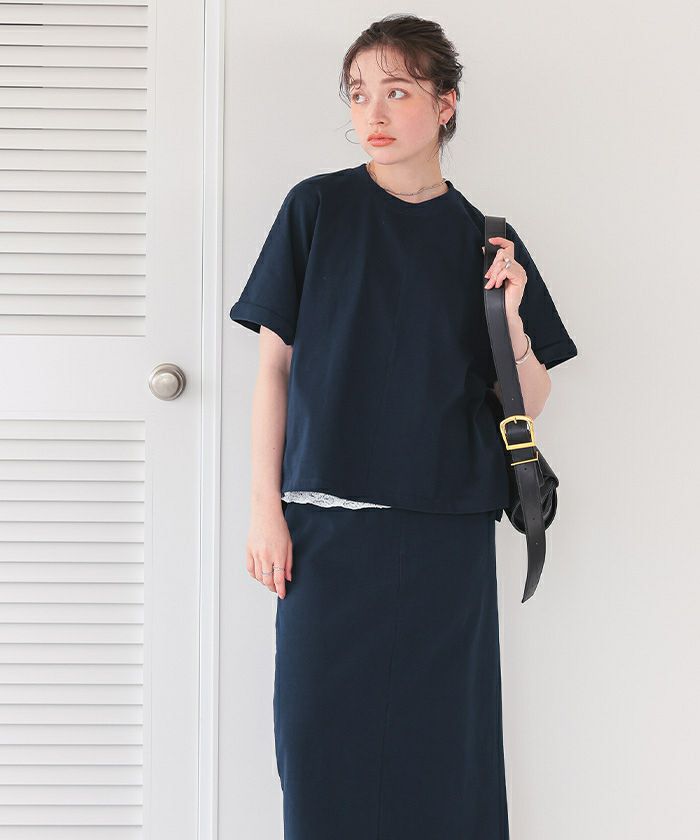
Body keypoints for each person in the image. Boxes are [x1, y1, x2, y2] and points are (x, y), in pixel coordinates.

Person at [229, 14, 577, 840]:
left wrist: (513, 314)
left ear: (445, 104)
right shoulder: (317, 208)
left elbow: (526, 402)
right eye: (359, 94)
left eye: (397, 91)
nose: (373, 112)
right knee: (318, 751)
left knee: (445, 760)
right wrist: (264, 508)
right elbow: (273, 369)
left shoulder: (487, 239)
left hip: (444, 535)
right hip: (325, 530)